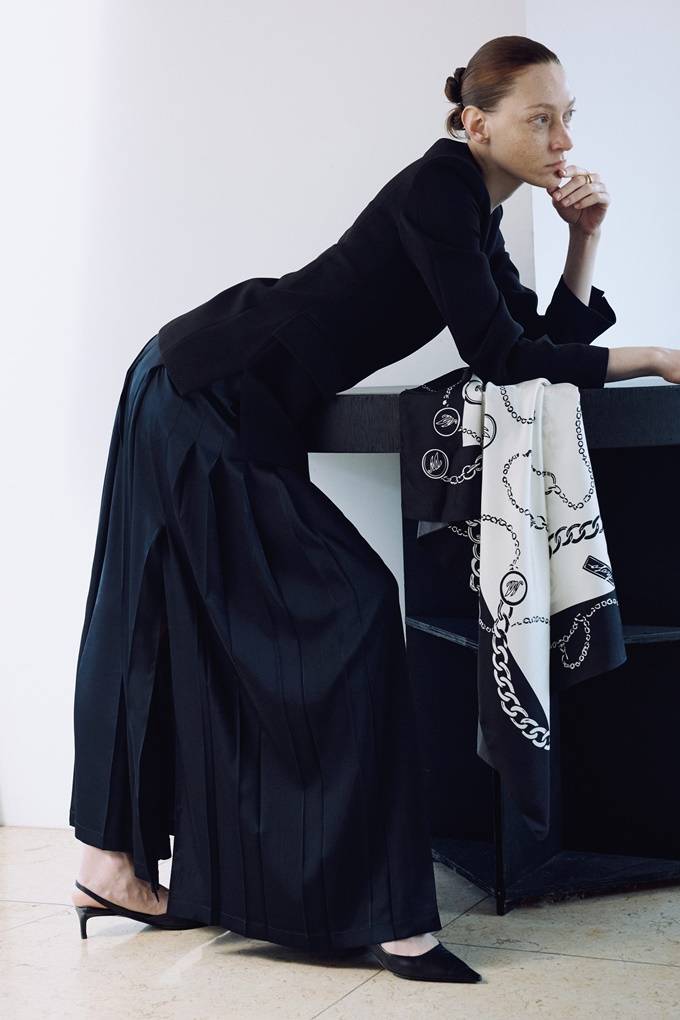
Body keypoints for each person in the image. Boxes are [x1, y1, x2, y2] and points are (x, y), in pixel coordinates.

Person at [68, 34, 678, 986]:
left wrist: (583, 240)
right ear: (477, 124)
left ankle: (115, 868)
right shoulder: (441, 190)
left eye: (568, 119)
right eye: (541, 118)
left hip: (235, 399)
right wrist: (657, 358)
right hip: (206, 388)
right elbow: (503, 357)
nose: (563, 140)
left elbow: (528, 345)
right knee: (231, 610)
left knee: (200, 614)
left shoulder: (474, 213)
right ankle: (373, 916)